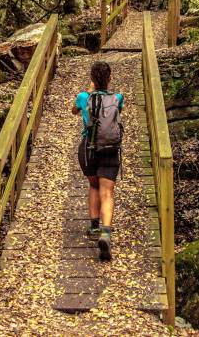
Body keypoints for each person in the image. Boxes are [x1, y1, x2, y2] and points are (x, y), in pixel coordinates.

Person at [72, 61, 124, 261]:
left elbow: (74, 111)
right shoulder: (117, 98)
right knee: (107, 192)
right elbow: (117, 113)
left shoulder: (83, 97)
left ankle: (94, 226)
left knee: (93, 186)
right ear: (109, 78)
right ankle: (106, 232)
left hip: (89, 149)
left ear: (92, 79)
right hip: (110, 149)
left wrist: (89, 90)